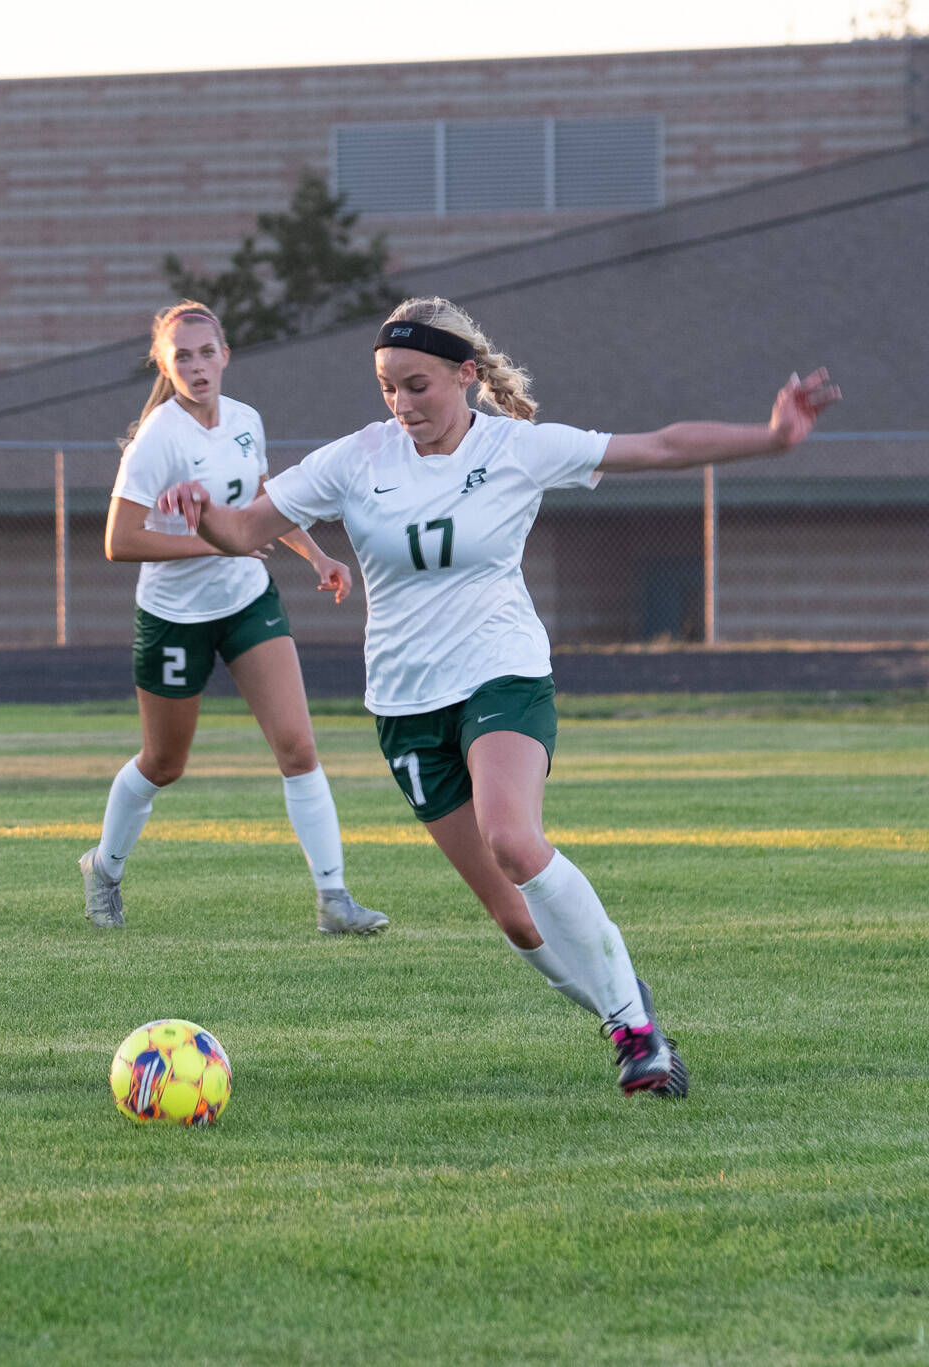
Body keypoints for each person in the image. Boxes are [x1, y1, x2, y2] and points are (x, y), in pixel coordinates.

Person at [158, 295, 839, 1096]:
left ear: (465, 375)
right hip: (407, 707)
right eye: (388, 387)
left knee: (514, 837)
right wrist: (203, 515)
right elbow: (244, 532)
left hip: (502, 672)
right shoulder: (357, 458)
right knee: (517, 918)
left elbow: (655, 446)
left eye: (418, 385)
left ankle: (638, 1034)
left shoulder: (518, 448)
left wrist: (772, 436)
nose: (402, 405)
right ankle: (622, 1000)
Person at [80, 300, 386, 937]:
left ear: (226, 356)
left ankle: (335, 901)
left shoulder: (246, 420)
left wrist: (317, 555)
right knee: (164, 763)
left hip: (248, 601)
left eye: (206, 352)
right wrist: (215, 542)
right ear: (165, 365)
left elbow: (262, 502)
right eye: (182, 356)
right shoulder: (158, 438)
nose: (197, 365)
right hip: (173, 617)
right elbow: (119, 540)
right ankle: (103, 872)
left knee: (298, 748)